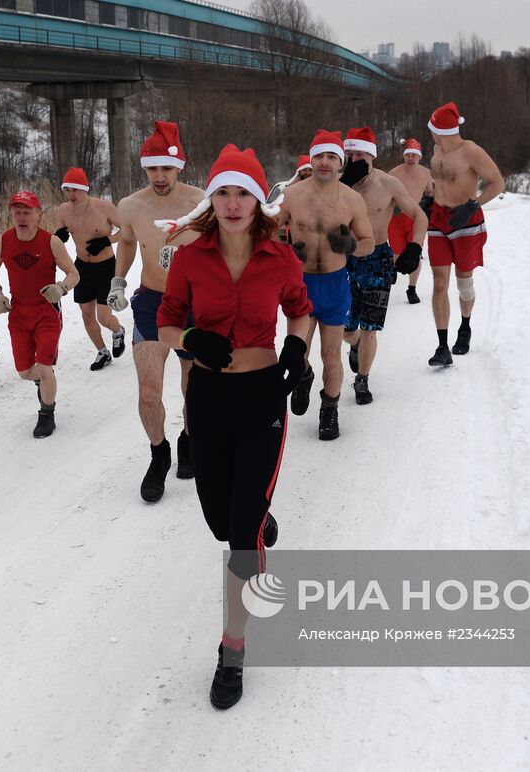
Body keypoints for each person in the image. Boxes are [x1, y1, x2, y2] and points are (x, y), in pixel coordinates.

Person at [154, 144, 312, 711]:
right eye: (222, 192)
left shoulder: (279, 256)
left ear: (257, 199)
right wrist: (193, 341)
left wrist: (297, 344)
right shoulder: (192, 257)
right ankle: (256, 514)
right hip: (210, 398)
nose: (232, 202)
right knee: (222, 523)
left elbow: (300, 307)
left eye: (242, 191)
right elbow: (168, 322)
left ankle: (233, 649)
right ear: (211, 200)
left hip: (262, 397)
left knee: (241, 539)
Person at [109, 121, 206, 502]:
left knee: (193, 389)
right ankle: (158, 453)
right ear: (144, 168)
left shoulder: (201, 202)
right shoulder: (131, 206)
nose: (160, 176)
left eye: (166, 168)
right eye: (152, 168)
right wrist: (118, 282)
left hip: (195, 305)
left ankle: (188, 439)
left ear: (179, 166)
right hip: (152, 302)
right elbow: (129, 244)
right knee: (149, 392)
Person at [275, 129, 375, 440]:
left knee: (330, 355)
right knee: (299, 353)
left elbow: (369, 242)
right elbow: (267, 232)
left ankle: (329, 409)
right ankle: (303, 377)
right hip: (300, 285)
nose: (324, 162)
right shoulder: (291, 195)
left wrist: (351, 246)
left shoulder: (352, 199)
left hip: (334, 285)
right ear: (310, 159)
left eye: (331, 156)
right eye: (319, 155)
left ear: (341, 161)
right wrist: (284, 249)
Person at [338, 127, 428, 404]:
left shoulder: (388, 184)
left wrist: (414, 246)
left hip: (377, 258)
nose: (353, 159)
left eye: (359, 154)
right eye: (349, 154)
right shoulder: (335, 184)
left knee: (369, 327)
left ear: (372, 156)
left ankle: (362, 379)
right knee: (346, 328)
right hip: (342, 258)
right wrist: (343, 185)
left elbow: (419, 215)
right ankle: (353, 345)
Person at [0, 190, 80, 438]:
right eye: (17, 212)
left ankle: (47, 413)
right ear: (11, 215)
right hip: (18, 313)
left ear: (38, 214)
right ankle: (42, 380)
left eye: (27, 211)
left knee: (44, 366)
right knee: (26, 371)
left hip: (46, 312)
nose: (22, 217)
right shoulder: (2, 241)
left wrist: (60, 288)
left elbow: (74, 274)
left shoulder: (51, 242)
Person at [425, 103, 505, 367]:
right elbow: (440, 180)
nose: (430, 133)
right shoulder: (437, 150)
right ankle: (442, 346)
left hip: (466, 221)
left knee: (463, 283)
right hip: (438, 219)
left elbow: (497, 182)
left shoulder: (471, 151)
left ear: (441, 130)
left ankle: (465, 325)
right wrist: (430, 198)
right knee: (439, 282)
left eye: (432, 128)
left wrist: (475, 204)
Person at [53, 167, 125, 371]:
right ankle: (103, 352)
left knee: (103, 317)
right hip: (82, 267)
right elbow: (58, 235)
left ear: (85, 189)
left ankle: (118, 330)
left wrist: (106, 241)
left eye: (75, 189)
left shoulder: (104, 207)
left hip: (106, 267)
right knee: (86, 315)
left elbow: (128, 230)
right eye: (67, 190)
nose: (71, 195)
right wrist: (60, 236)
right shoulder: (63, 210)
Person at [388, 137, 434, 304]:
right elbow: (385, 193)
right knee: (396, 251)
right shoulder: (394, 173)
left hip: (415, 217)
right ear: (404, 156)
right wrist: (392, 205)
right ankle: (391, 272)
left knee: (416, 253)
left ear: (419, 157)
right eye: (408, 155)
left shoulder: (426, 173)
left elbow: (430, 192)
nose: (410, 158)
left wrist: (426, 204)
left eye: (414, 155)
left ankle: (412, 288)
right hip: (396, 216)